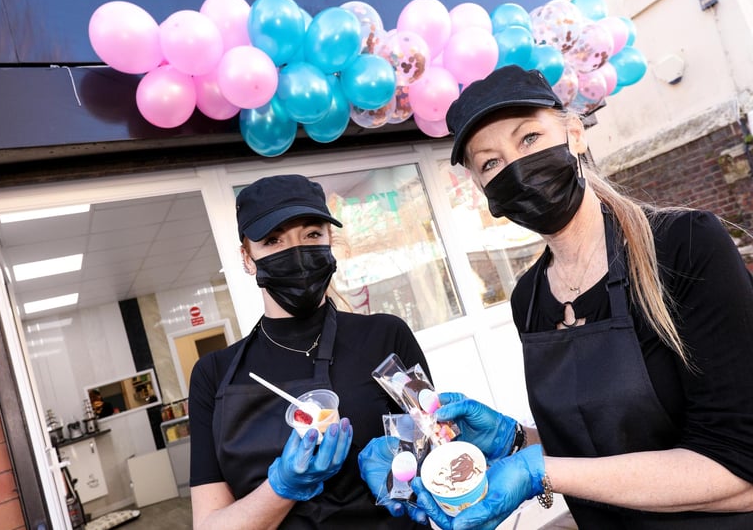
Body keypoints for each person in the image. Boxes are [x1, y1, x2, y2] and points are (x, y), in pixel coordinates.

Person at [362, 65, 753, 529]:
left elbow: (739, 471)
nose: (517, 169)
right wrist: (515, 442)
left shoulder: (683, 245)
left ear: (574, 132)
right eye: (490, 163)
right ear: (485, 193)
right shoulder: (528, 298)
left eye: (528, 138)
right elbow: (594, 454)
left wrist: (537, 471)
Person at [188, 174, 431, 529]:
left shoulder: (386, 335)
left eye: (312, 234)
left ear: (331, 241)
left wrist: (412, 473)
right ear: (247, 258)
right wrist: (283, 487)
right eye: (273, 240)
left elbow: (435, 448)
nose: (297, 253)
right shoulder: (214, 375)